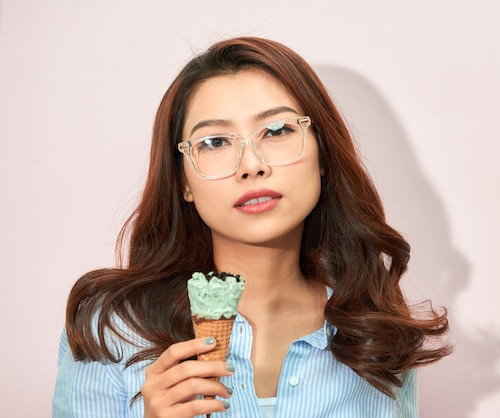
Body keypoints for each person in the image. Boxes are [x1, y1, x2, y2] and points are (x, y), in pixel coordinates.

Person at [52, 36, 451, 418]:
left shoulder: (375, 334)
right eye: (213, 142)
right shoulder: (111, 329)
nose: (251, 164)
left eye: (277, 131)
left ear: (323, 154)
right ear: (183, 182)